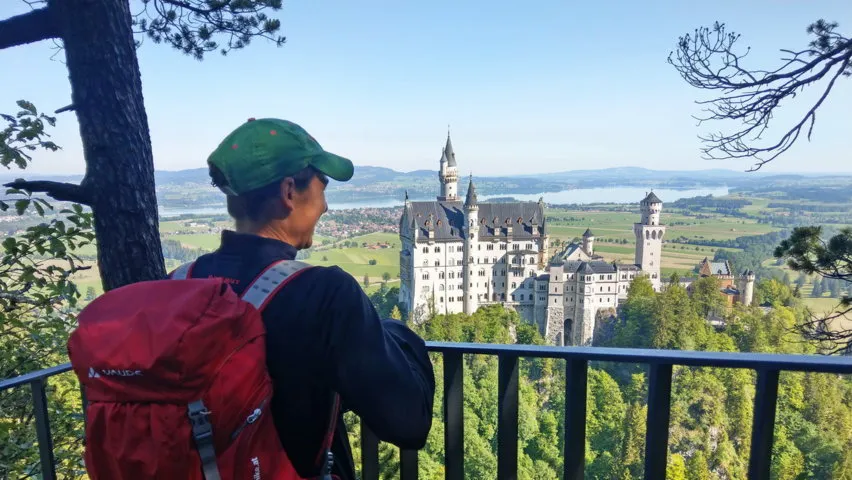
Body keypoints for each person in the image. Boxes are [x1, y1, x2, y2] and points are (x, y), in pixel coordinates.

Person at [188, 117, 435, 479]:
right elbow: (409, 423)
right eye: (323, 187)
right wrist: (398, 334)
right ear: (290, 192)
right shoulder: (323, 295)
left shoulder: (181, 285)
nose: (325, 206)